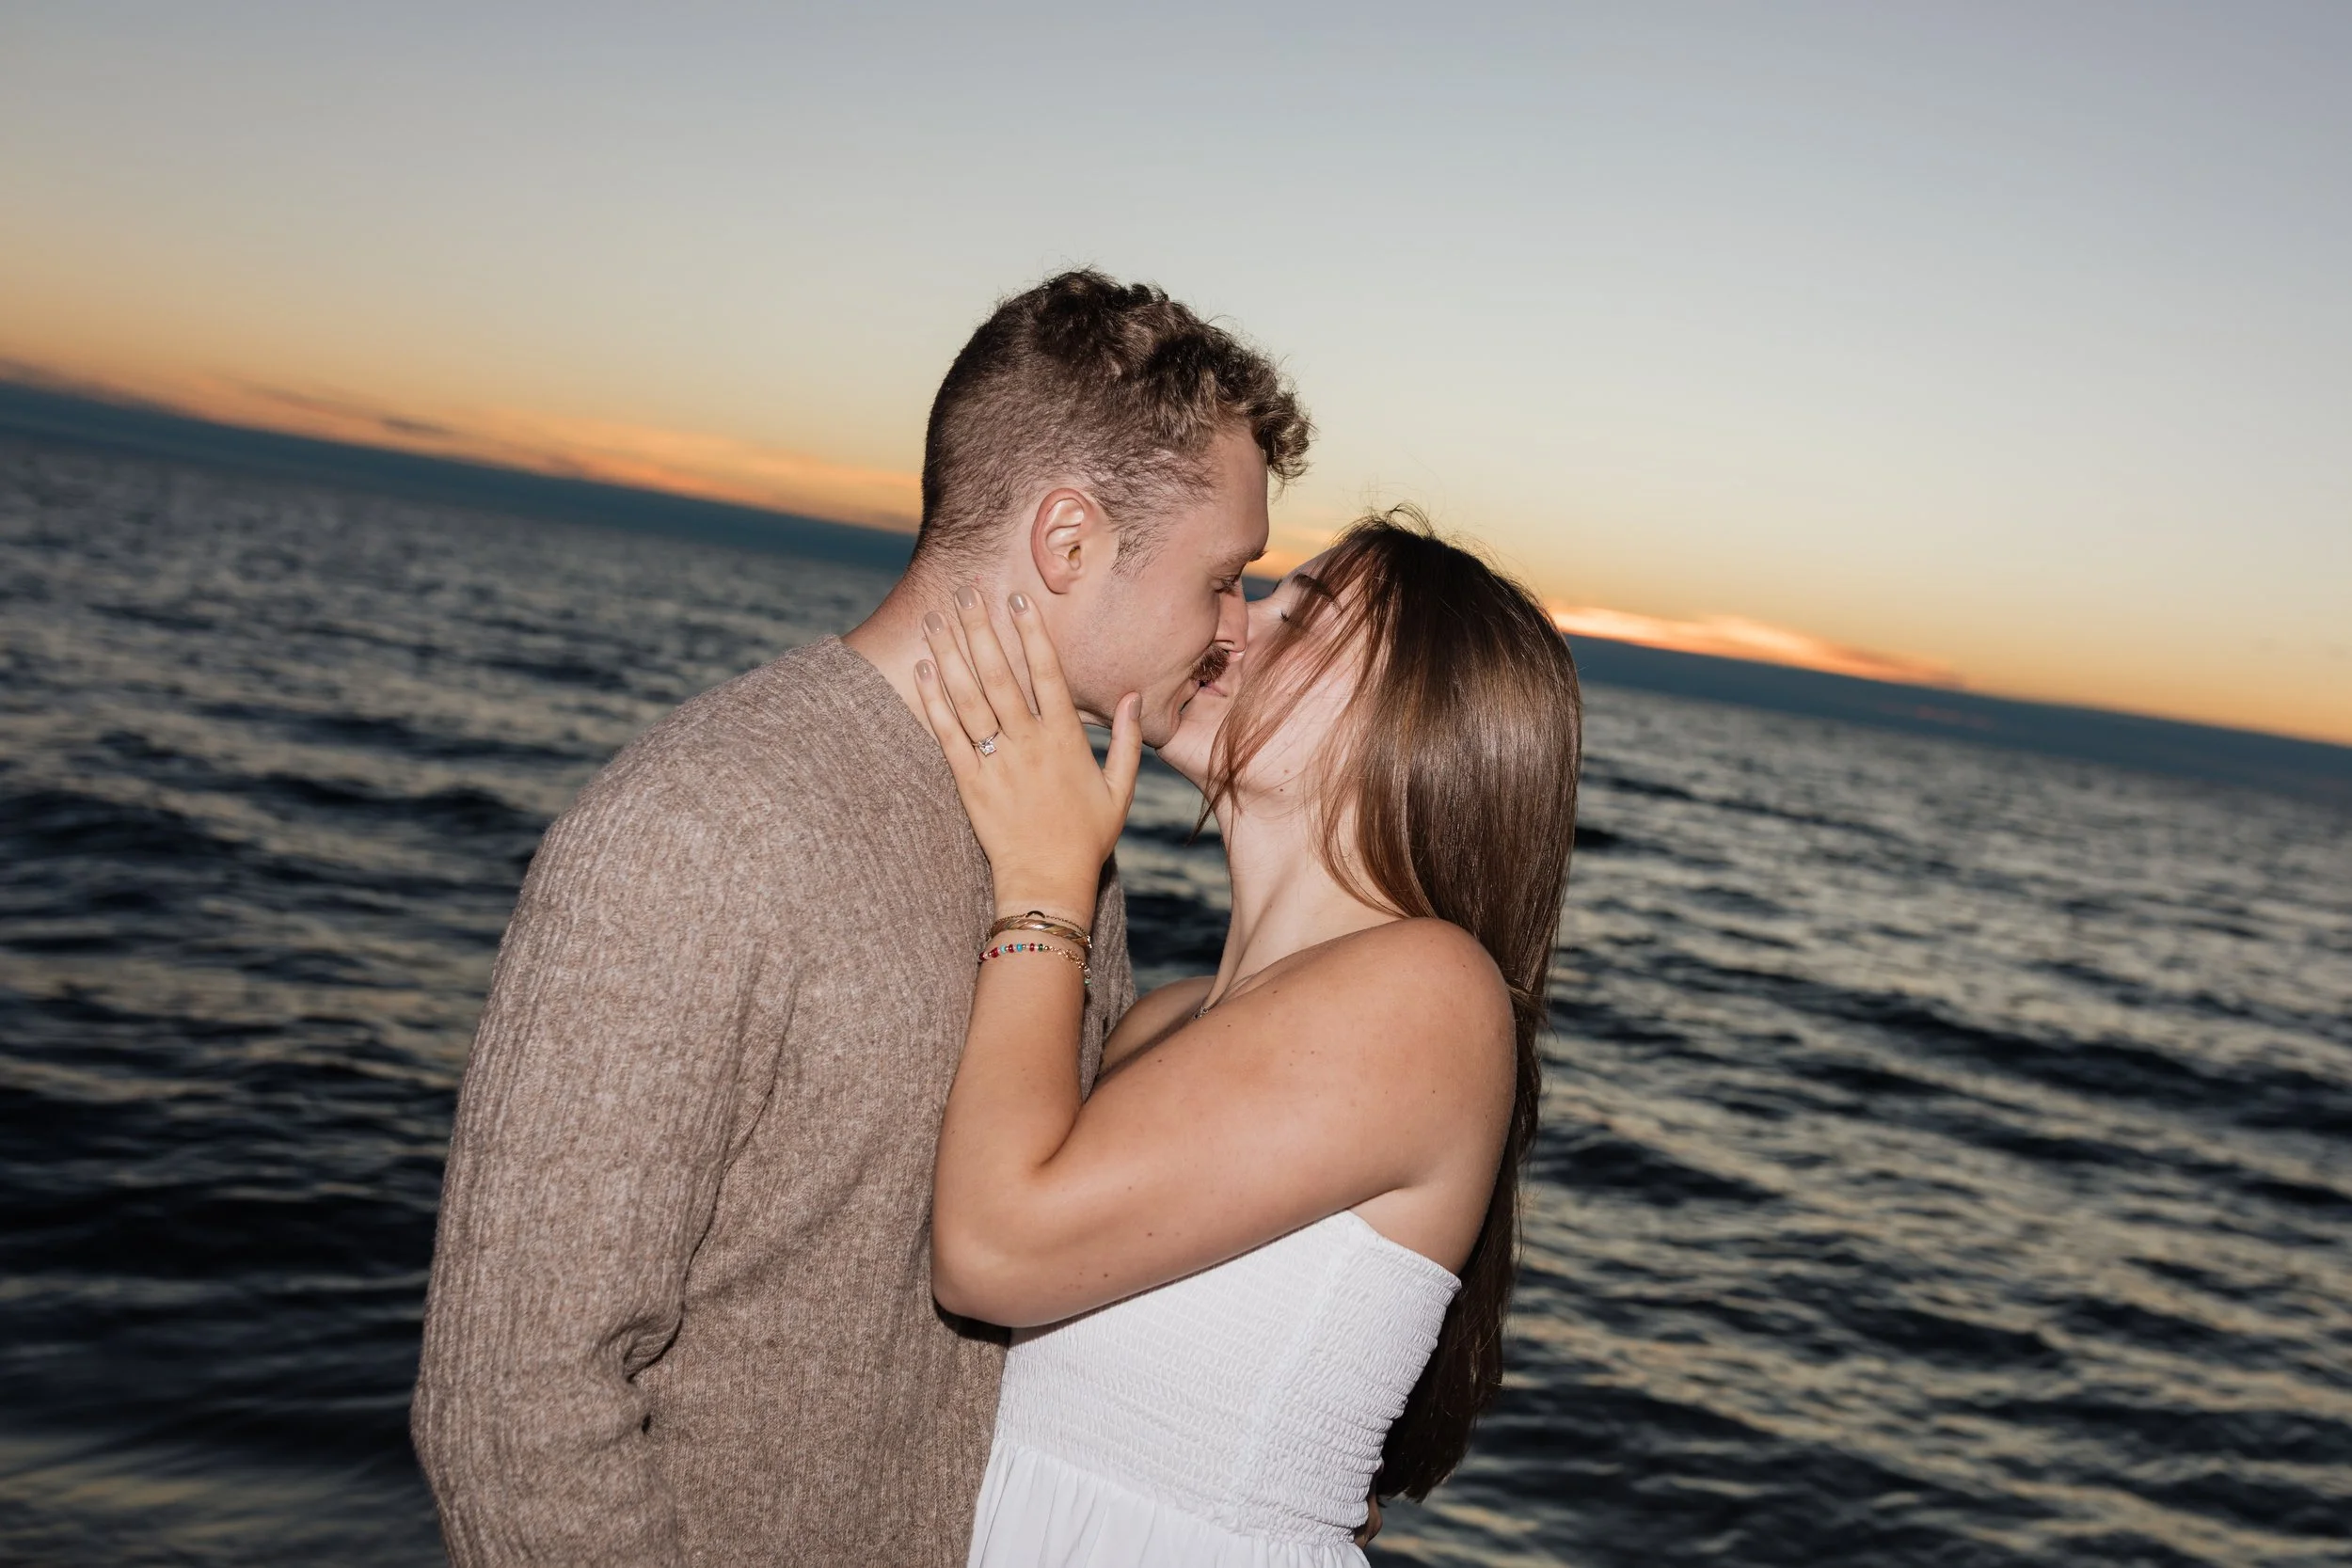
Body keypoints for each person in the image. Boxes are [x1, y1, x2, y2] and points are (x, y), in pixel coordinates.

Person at [410, 271, 1311, 1567]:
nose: (1236, 630)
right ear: (1068, 543)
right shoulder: (696, 828)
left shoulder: (1065, 848)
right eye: (1225, 577)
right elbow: (513, 1409)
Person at [910, 510, 1582, 1566]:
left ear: (1412, 721)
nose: (1230, 622)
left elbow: (992, 1250)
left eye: (1297, 617)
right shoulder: (1161, 1019)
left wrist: (1045, 882)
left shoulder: (1433, 991)